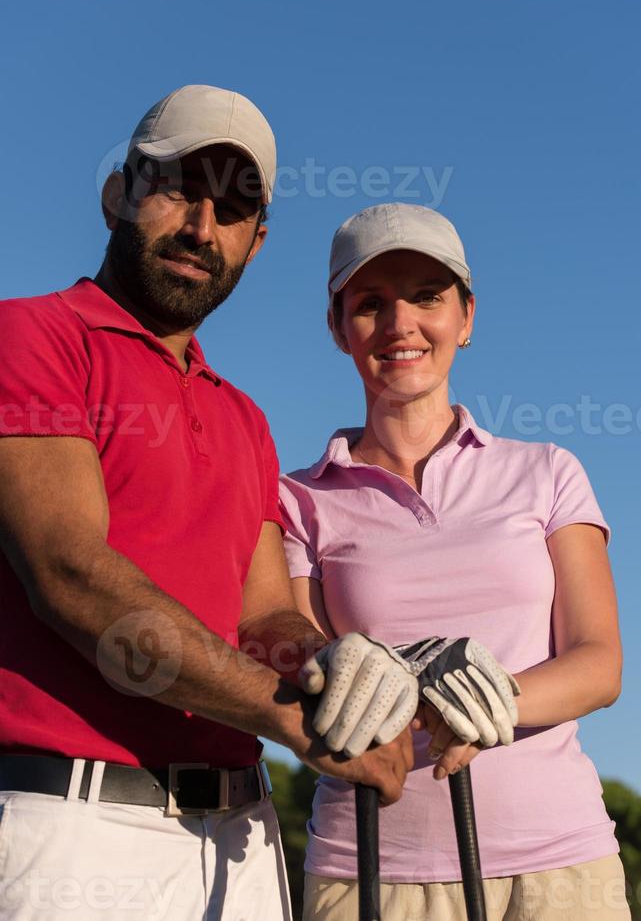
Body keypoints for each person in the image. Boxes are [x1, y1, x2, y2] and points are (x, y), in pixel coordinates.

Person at [0, 88, 416, 921]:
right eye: (177, 189)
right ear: (118, 193)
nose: (200, 227)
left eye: (232, 208)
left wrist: (333, 669)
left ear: (255, 244)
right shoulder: (32, 335)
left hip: (243, 839)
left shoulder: (244, 416)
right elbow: (71, 574)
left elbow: (265, 615)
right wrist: (295, 720)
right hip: (73, 827)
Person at [280, 202, 630, 920]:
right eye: (371, 303)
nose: (400, 323)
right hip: (367, 871)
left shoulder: (549, 471)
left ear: (466, 318)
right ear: (338, 328)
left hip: (560, 870)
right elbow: (293, 657)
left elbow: (599, 664)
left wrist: (480, 701)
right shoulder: (296, 498)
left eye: (428, 297)